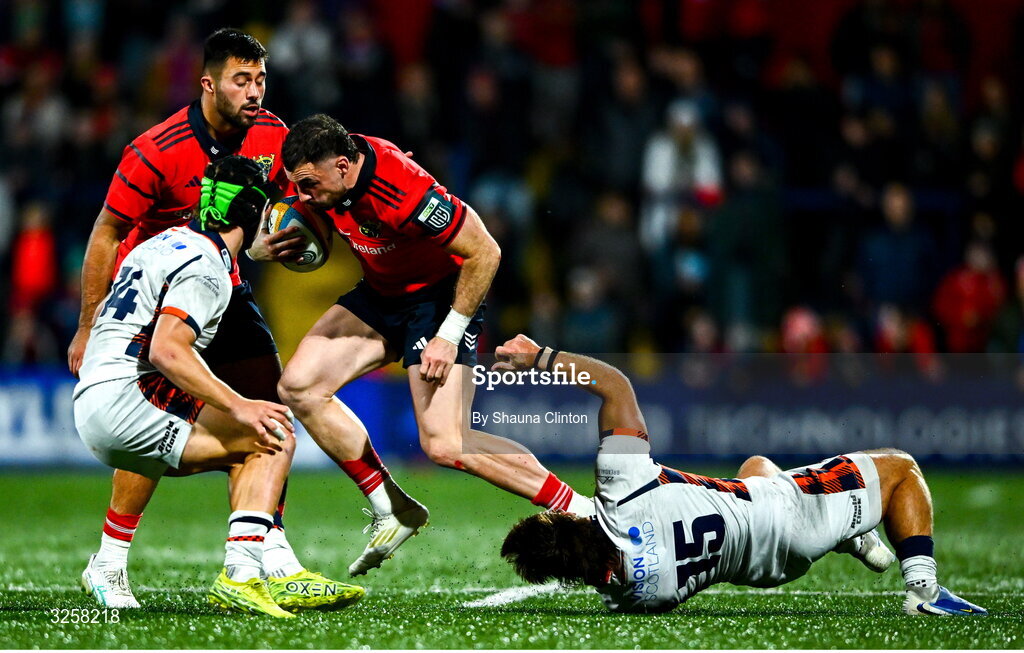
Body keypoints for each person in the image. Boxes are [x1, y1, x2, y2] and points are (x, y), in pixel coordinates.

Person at [70, 28, 353, 610]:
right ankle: (110, 560)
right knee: (158, 417)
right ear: (208, 84)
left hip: (224, 282)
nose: (255, 92)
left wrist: (280, 240)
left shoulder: (273, 135)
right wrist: (86, 324)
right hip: (162, 296)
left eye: (261, 79)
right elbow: (107, 232)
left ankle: (265, 559)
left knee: (267, 411)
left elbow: (279, 207)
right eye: (241, 80)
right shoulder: (155, 149)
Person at [273, 114, 591, 576]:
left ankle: (580, 508)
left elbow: (486, 252)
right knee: (298, 386)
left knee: (445, 442)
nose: (303, 197)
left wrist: (448, 334)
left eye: (308, 185)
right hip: (383, 294)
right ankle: (393, 507)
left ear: (343, 166)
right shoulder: (325, 178)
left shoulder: (402, 188)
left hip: (439, 299)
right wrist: (265, 246)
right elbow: (293, 218)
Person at [496, 334, 988, 617]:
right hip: (786, 513)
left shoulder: (632, 597)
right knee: (902, 469)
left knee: (755, 469)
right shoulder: (621, 489)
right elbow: (615, 387)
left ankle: (850, 537)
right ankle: (924, 591)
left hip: (768, 570)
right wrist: (539, 358)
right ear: (570, 521)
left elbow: (611, 565)